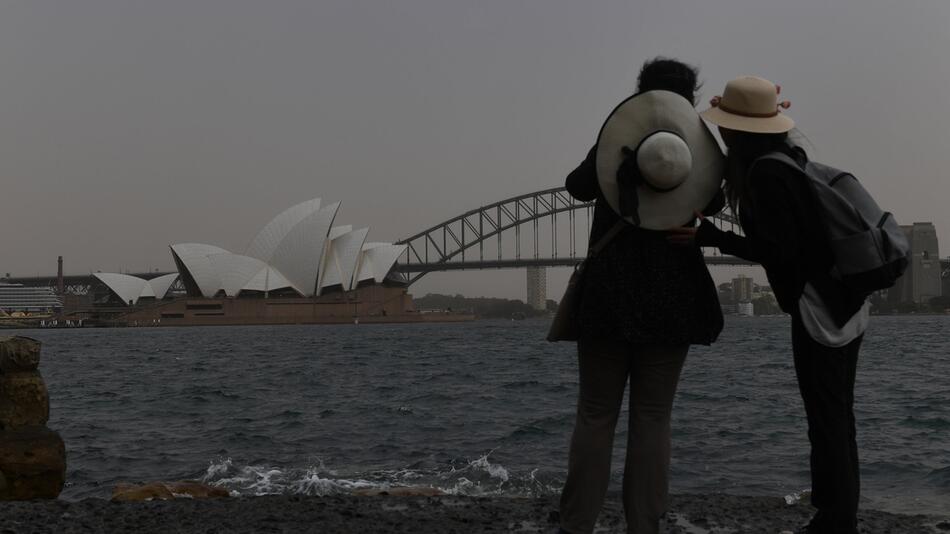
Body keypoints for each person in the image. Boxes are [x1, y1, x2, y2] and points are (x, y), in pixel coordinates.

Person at [669, 75, 868, 534]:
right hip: (847, 301)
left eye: (725, 126)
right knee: (838, 416)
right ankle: (840, 516)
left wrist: (710, 236)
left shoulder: (766, 173)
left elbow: (777, 250)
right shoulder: (788, 159)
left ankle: (835, 521)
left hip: (820, 309)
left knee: (826, 419)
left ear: (736, 132)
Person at [558, 58, 724, 534]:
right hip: (672, 301)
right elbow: (715, 199)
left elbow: (576, 187)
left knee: (595, 414)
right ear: (688, 99)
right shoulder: (695, 150)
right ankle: (644, 527)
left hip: (608, 296)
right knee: (653, 418)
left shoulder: (618, 140)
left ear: (641, 95)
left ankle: (576, 525)